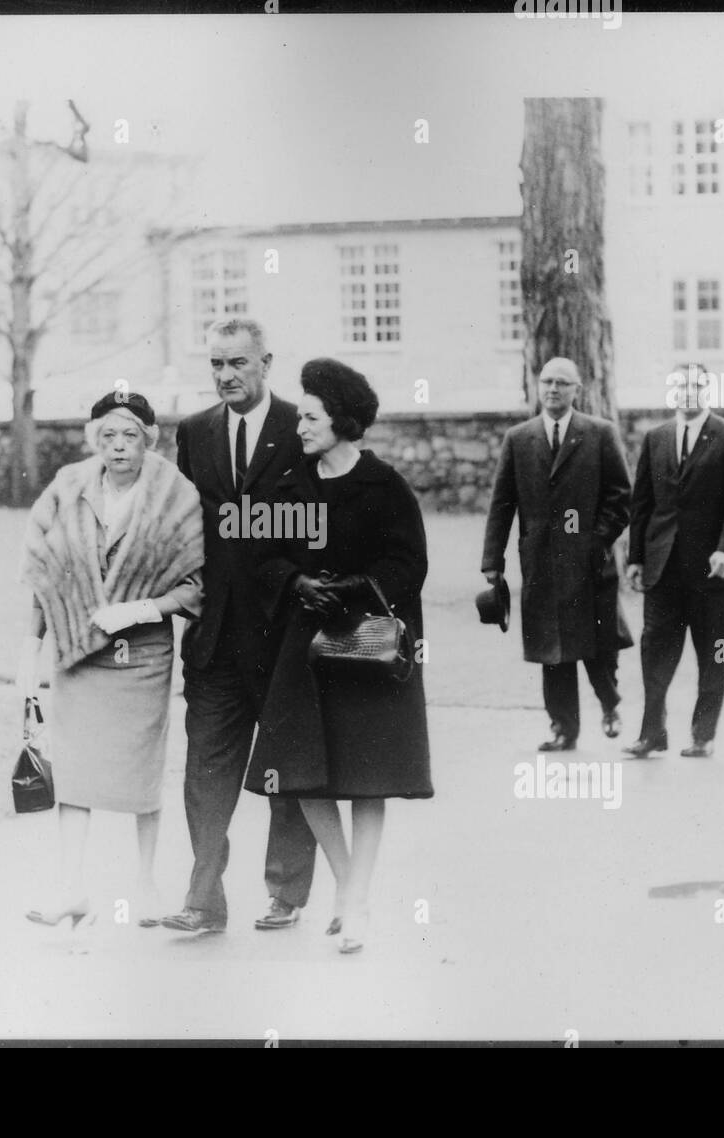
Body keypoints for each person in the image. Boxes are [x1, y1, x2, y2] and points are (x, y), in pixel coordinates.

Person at [244, 358, 432, 955]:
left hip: (368, 648)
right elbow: (261, 554)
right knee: (303, 774)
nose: (299, 426)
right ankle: (350, 885)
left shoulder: (384, 485)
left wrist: (354, 588)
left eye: (310, 417)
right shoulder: (287, 485)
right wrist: (296, 583)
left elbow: (408, 565)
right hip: (306, 647)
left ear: (342, 421)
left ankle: (355, 899)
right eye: (300, 415)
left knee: (367, 778)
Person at [16, 391, 204, 931]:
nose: (119, 447)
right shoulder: (68, 487)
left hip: (141, 652)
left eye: (130, 436)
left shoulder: (175, 493)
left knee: (140, 768)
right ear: (94, 438)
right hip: (77, 648)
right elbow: (43, 573)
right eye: (108, 436)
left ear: (149, 439)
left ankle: (145, 885)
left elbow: (196, 585)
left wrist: (142, 608)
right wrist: (31, 649)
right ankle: (71, 887)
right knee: (73, 770)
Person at [160, 318, 319, 936]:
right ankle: (203, 898)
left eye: (238, 364)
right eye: (217, 365)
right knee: (205, 769)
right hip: (215, 638)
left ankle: (285, 891)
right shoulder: (195, 432)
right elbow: (182, 529)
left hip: (284, 636)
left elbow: (314, 526)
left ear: (266, 362)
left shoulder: (298, 428)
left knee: (284, 766)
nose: (226, 376)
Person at [481, 356, 633, 751]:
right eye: (546, 381)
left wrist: (596, 540)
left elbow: (621, 497)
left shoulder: (599, 433)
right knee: (552, 650)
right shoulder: (519, 438)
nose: (552, 389)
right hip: (541, 564)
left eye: (562, 383)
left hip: (591, 563)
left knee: (599, 643)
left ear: (576, 390)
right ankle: (563, 728)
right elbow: (502, 504)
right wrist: (492, 564)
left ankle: (610, 703)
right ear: (537, 386)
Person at [624, 364, 724, 758]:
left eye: (695, 386)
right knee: (654, 652)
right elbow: (642, 502)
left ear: (708, 391)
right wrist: (635, 558)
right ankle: (652, 733)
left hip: (711, 570)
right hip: (662, 569)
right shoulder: (656, 438)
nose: (686, 393)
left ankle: (703, 734)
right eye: (679, 386)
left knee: (713, 652)